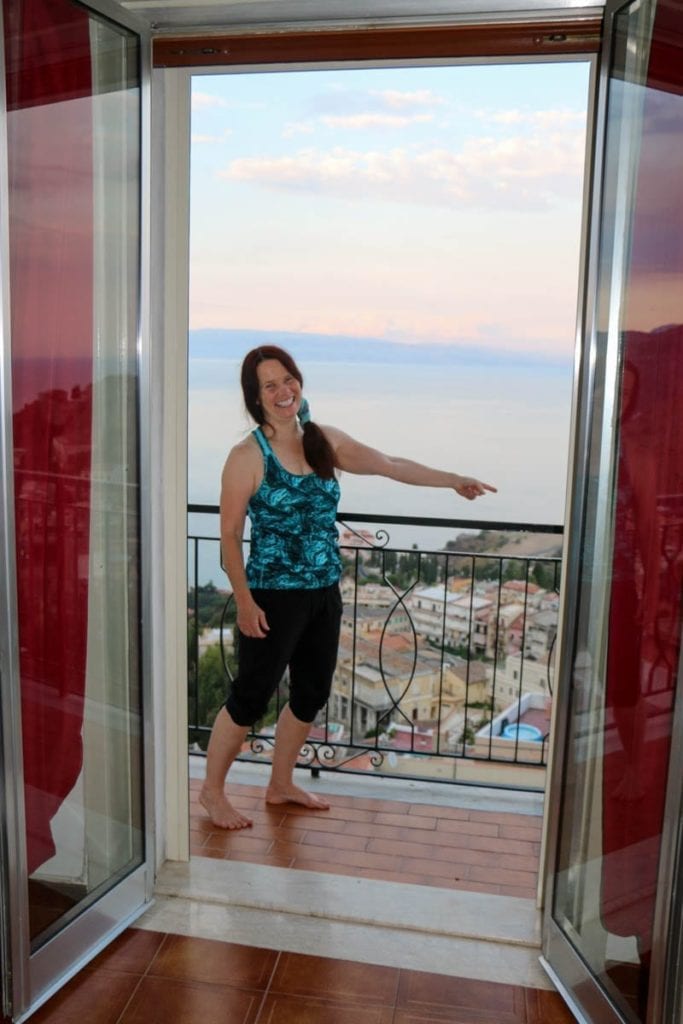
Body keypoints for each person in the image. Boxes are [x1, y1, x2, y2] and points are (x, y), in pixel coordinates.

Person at [200, 345, 497, 829]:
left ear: (299, 382)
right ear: (255, 399)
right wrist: (246, 601)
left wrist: (452, 480)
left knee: (312, 692)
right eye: (269, 385)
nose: (283, 391)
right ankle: (213, 794)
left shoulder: (323, 440)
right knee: (251, 696)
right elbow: (230, 536)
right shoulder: (247, 456)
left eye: (287, 379)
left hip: (323, 592)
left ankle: (280, 785)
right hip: (272, 596)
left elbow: (390, 464)